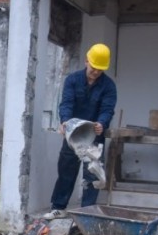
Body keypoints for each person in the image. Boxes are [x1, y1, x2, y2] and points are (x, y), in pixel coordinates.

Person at [44, 43, 117, 220]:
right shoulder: (72, 80)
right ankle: (59, 207)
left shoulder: (109, 86)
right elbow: (66, 103)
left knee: (92, 174)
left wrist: (102, 123)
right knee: (66, 171)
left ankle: (87, 212)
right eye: (94, 68)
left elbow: (108, 109)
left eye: (100, 70)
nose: (96, 72)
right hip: (73, 135)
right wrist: (65, 121)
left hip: (94, 136)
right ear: (86, 61)